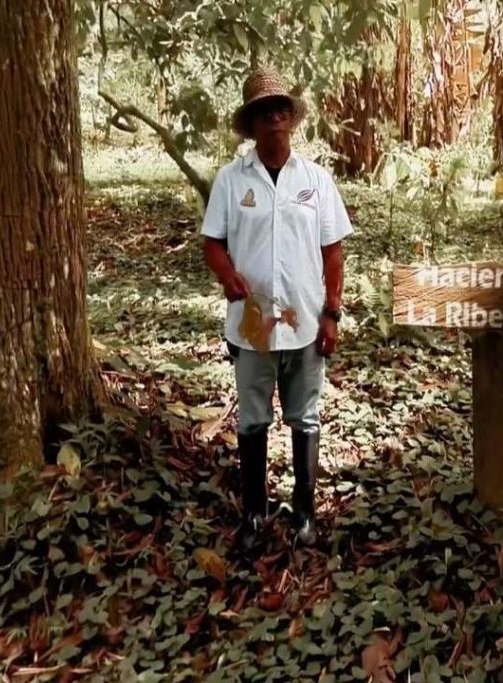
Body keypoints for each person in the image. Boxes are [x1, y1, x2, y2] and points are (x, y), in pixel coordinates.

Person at [200, 67, 353, 549]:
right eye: (264, 113)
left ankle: (304, 514)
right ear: (251, 124)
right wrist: (227, 275)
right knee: (252, 418)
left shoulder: (315, 180)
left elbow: (333, 252)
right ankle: (253, 515)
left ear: (291, 119)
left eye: (281, 110)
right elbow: (212, 242)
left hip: (306, 320)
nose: (274, 120)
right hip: (252, 324)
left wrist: (332, 312)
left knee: (305, 416)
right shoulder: (231, 180)